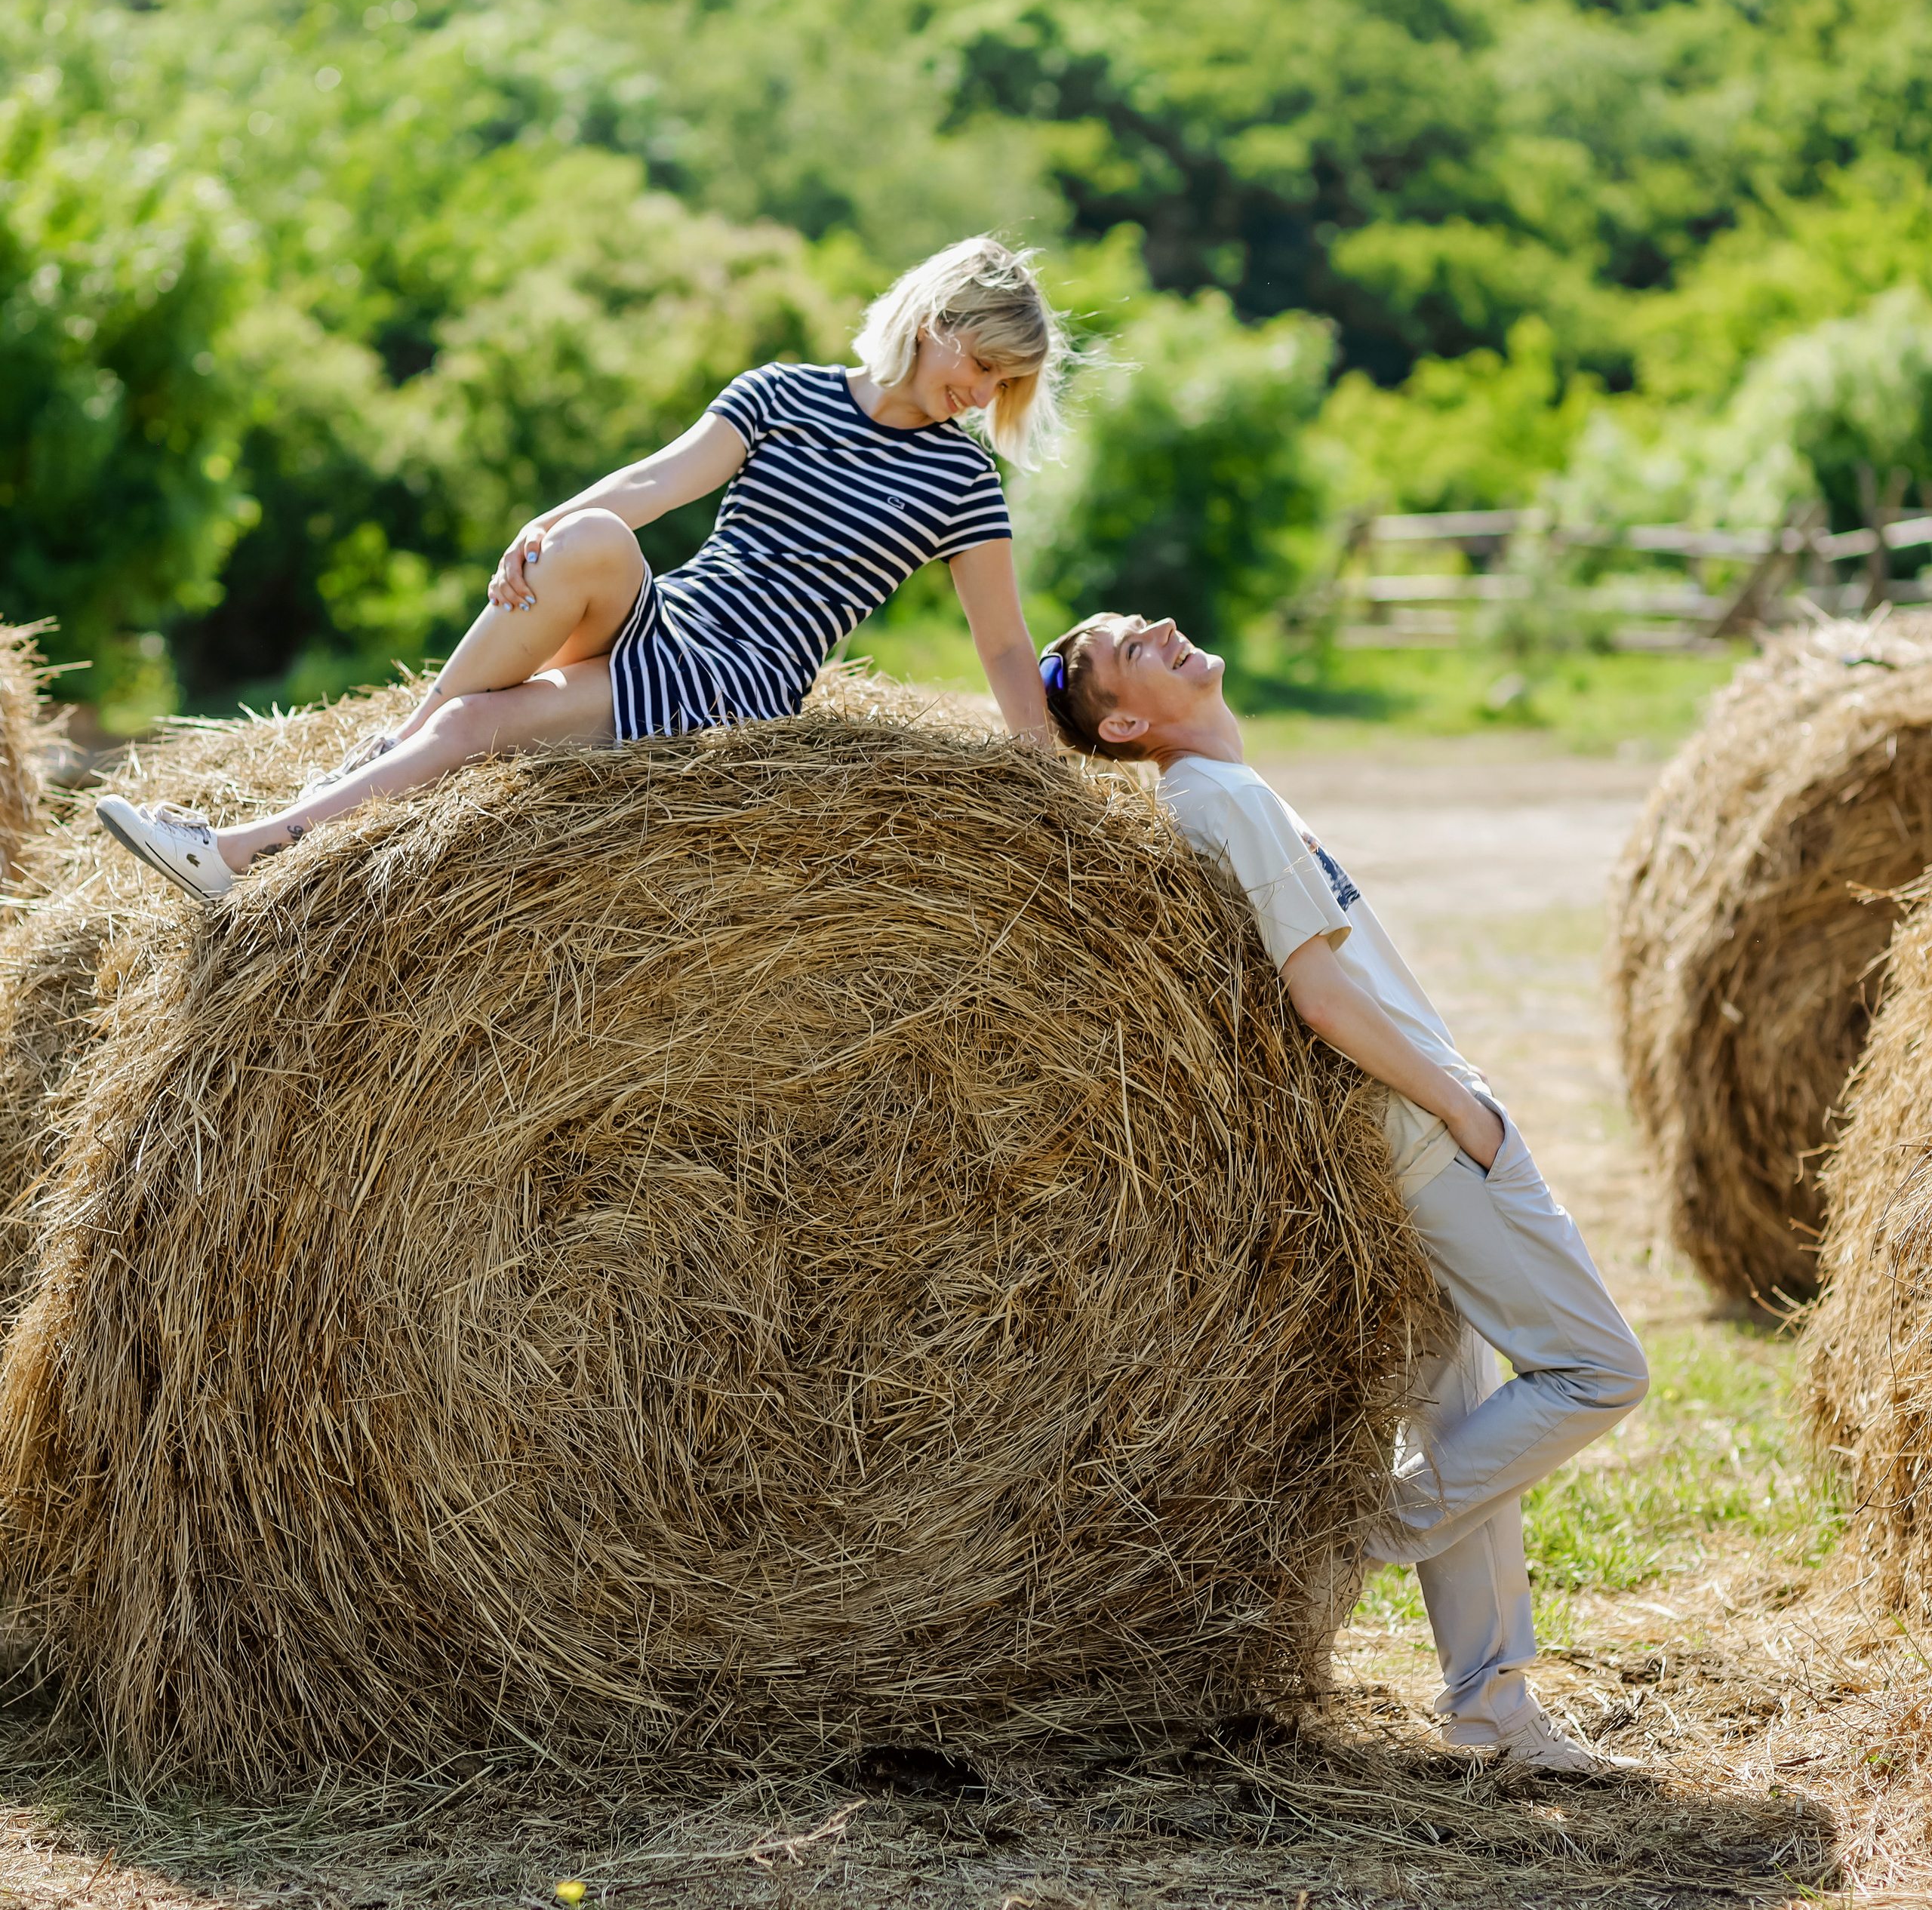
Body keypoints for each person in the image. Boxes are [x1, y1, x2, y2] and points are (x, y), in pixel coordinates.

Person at [1037, 611, 1651, 1776]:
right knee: (1601, 1370)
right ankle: (1344, 1547)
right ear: (1124, 723)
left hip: (1379, 1158)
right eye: (1130, 647)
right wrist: (1463, 1109)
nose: (1162, 627)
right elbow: (1319, 994)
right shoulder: (1224, 798)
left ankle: (1492, 1706)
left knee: (1467, 1413)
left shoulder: (1212, 795)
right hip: (1429, 1141)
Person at [97, 236, 1068, 900]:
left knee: (480, 723)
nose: (977, 393)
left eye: (1000, 383)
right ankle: (388, 747)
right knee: (597, 536)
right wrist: (544, 529)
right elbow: (656, 480)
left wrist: (1051, 795)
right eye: (978, 362)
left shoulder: (959, 477)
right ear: (934, 317)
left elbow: (1002, 641)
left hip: (746, 681)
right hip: (679, 620)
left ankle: (237, 854)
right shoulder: (783, 393)